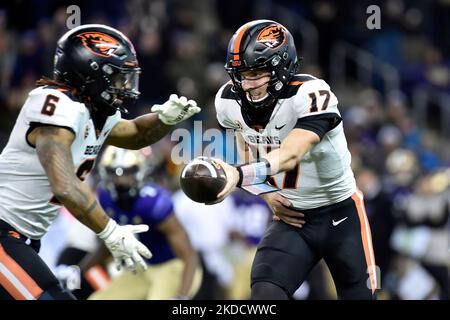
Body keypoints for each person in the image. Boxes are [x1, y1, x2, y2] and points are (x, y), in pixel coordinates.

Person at [0, 24, 200, 300]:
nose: (125, 86)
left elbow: (135, 134)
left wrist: (164, 120)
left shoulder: (92, 111)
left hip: (22, 236)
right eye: (117, 77)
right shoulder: (55, 104)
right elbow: (64, 184)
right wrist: (110, 231)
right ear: (90, 73)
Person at [212, 20, 378, 300]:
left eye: (256, 72)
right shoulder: (228, 100)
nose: (247, 83)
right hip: (293, 217)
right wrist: (264, 192)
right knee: (264, 295)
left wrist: (238, 176)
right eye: (241, 74)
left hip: (340, 214)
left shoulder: (311, 93)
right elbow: (247, 143)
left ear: (281, 66)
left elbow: (292, 152)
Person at [86, 146, 202, 300]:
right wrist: (78, 270)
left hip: (173, 266)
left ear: (140, 172)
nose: (120, 180)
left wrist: (182, 296)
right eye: (113, 172)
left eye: (127, 172)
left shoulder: (153, 202)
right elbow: (108, 244)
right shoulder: (106, 197)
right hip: (142, 267)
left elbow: (189, 256)